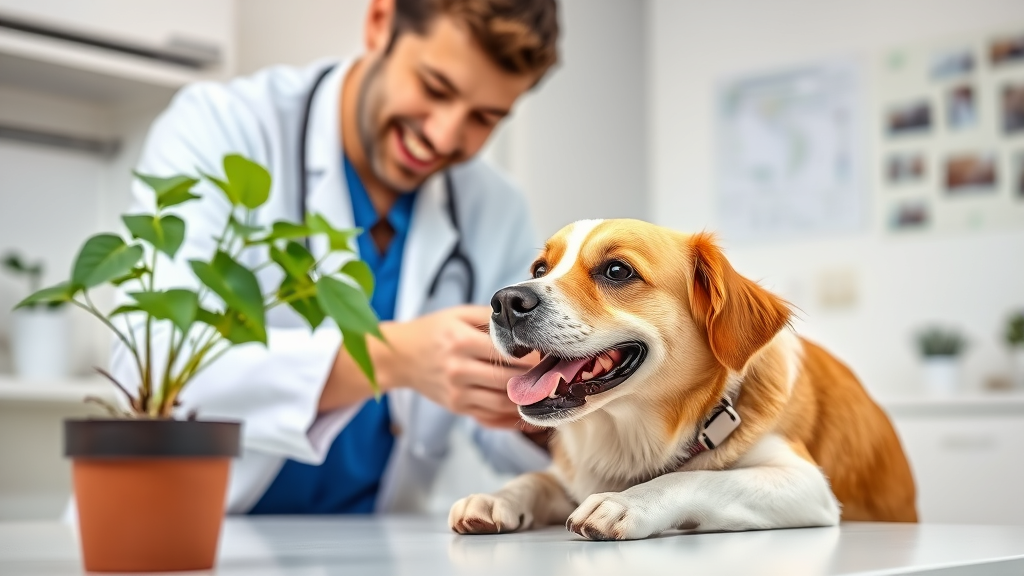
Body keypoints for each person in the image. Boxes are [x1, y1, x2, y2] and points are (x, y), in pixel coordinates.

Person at [111, 0, 560, 514]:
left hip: (370, 541)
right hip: (188, 533)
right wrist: (393, 357)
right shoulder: (222, 127)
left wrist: (547, 401)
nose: (442, 136)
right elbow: (149, 361)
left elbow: (508, 438)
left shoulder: (494, 206)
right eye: (435, 88)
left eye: (484, 118)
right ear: (379, 23)